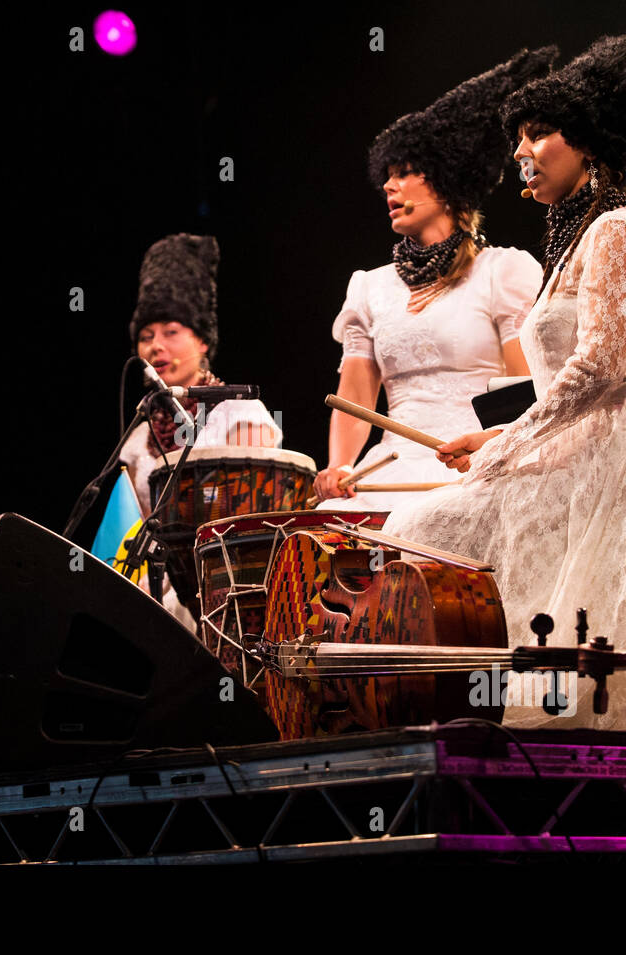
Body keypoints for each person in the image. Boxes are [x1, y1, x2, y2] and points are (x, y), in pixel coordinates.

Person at [381, 33, 626, 732]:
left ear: (588, 142)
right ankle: (445, 711)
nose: (521, 152)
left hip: (606, 453)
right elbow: (562, 384)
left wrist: (509, 447)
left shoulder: (619, 230)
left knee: (417, 525)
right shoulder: (573, 241)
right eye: (518, 137)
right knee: (410, 527)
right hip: (563, 444)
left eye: (538, 133)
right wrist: (496, 435)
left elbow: (597, 369)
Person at [313, 48, 557, 511]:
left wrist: (497, 451)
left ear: (447, 182)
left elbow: (523, 391)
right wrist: (341, 466)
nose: (389, 186)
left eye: (405, 173)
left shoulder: (501, 273)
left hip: (476, 465)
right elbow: (356, 399)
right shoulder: (369, 287)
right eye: (387, 176)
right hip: (389, 469)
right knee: (326, 526)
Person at [118, 234, 283, 631]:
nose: (157, 347)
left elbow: (257, 520)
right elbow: (131, 530)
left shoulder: (241, 412)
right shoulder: (138, 437)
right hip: (152, 582)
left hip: (226, 582)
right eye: (146, 336)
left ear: (203, 340)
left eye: (171, 332)